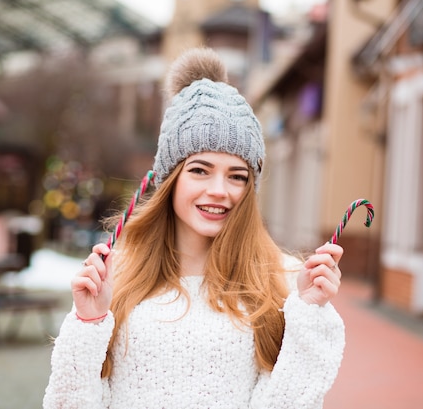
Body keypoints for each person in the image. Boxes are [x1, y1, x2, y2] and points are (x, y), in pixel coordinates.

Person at [43, 47, 345, 409]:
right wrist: (88, 322)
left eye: (237, 176)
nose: (219, 191)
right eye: (200, 170)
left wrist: (309, 314)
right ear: (170, 177)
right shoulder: (115, 276)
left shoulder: (280, 280)